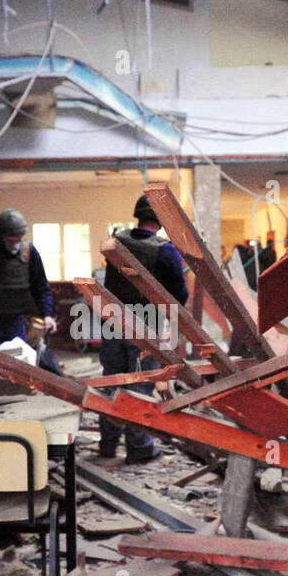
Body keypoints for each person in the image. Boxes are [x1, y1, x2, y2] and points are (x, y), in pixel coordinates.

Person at [98, 195, 188, 464]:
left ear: (137, 215)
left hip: (113, 322)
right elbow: (179, 294)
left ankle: (108, 445)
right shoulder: (165, 250)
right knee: (140, 386)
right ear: (160, 221)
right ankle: (138, 448)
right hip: (145, 326)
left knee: (112, 381)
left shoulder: (117, 240)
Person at [0, 208, 56, 347]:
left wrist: (47, 314)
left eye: (18, 237)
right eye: (11, 237)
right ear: (1, 235)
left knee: (17, 361)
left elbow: (40, 286)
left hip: (15, 320)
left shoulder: (28, 252)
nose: (15, 242)